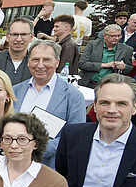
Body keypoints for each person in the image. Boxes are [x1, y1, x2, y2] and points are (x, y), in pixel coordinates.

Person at [13, 40, 87, 168]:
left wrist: (32, 147)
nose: (40, 65)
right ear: (28, 62)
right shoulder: (15, 91)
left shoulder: (73, 96)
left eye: (47, 60)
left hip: (48, 168)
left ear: (57, 62)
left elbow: (74, 138)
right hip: (13, 165)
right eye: (35, 60)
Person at [77, 24, 134, 88]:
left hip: (110, 85)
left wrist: (124, 67)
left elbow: (130, 68)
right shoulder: (93, 45)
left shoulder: (126, 49)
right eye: (113, 36)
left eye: (119, 36)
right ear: (104, 36)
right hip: (89, 83)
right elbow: (82, 64)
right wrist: (105, 65)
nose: (116, 38)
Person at [0, 18, 33, 85]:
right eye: (14, 34)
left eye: (24, 34)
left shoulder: (37, 64)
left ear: (31, 37)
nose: (18, 39)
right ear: (7, 37)